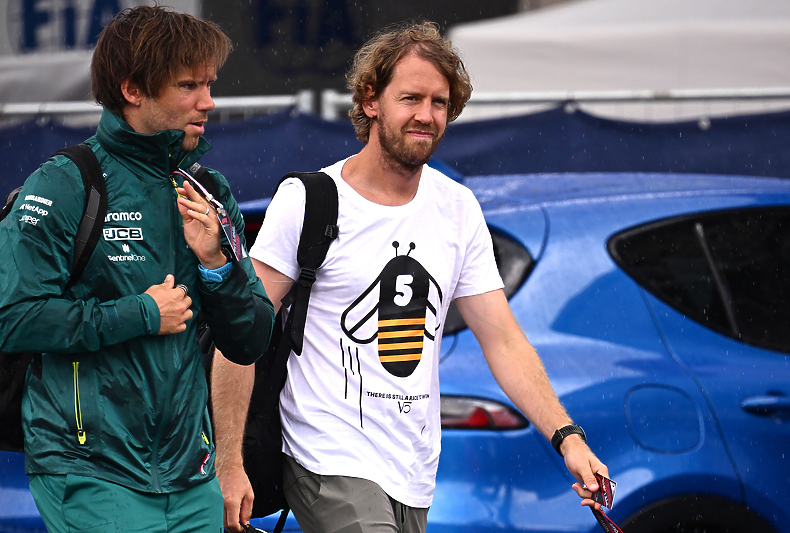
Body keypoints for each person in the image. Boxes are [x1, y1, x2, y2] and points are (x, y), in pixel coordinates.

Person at [212, 21, 607, 533]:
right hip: (327, 453)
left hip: (414, 466)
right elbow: (240, 333)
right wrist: (228, 463)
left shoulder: (457, 208)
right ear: (371, 100)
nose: (426, 115)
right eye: (411, 98)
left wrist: (568, 437)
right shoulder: (309, 200)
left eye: (439, 103)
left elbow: (502, 338)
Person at [0, 6, 274, 533]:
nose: (208, 102)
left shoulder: (208, 191)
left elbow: (251, 339)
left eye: (209, 84)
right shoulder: (62, 184)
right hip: (89, 472)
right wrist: (141, 314)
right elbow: (14, 319)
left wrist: (217, 264)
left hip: (190, 478)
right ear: (133, 90)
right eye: (189, 86)